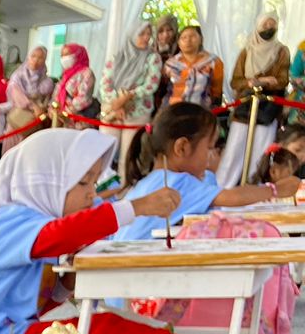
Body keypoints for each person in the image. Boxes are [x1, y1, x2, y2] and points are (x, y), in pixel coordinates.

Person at [0, 128, 298, 334]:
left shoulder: (28, 224)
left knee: (101, 330)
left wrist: (66, 285)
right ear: (46, 183)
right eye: (83, 183)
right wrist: (135, 208)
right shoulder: (12, 220)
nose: (91, 194)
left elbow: (37, 299)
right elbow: (61, 235)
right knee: (98, 333)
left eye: (94, 183)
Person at [114, 102, 300, 241]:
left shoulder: (147, 182)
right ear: (182, 148)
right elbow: (232, 197)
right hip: (138, 287)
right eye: (209, 148)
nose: (211, 156)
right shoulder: (177, 183)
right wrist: (275, 190)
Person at [218, 15, 291, 187]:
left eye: (272, 24)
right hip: (244, 107)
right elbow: (235, 81)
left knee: (260, 151)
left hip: (268, 109)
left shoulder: (281, 51)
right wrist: (252, 82)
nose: (268, 27)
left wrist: (262, 82)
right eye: (265, 24)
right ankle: (223, 188)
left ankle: (254, 188)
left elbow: (281, 80)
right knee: (234, 150)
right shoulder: (246, 51)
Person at [102, 24, 162, 166]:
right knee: (105, 153)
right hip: (112, 110)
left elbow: (151, 84)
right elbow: (105, 84)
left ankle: (125, 186)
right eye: (141, 33)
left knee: (129, 156)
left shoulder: (153, 58)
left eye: (149, 34)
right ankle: (103, 186)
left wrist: (127, 97)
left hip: (138, 111)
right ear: (132, 34)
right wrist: (117, 103)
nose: (146, 38)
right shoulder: (117, 56)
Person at [165, 26, 223, 110]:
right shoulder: (170, 64)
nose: (188, 40)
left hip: (201, 110)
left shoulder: (213, 62)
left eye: (192, 36)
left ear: (200, 39)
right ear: (178, 43)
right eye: (184, 38)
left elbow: (216, 91)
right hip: (173, 110)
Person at [8, 46, 56, 138]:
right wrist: (33, 107)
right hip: (18, 120)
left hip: (37, 120)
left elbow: (50, 99)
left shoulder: (47, 81)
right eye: (33, 56)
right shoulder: (18, 77)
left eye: (40, 57)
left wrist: (44, 109)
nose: (36, 60)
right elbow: (17, 96)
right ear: (28, 57)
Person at [55, 44, 96, 123]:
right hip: (60, 118)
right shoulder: (66, 75)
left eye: (67, 54)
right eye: (62, 55)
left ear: (78, 55)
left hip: (77, 120)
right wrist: (54, 109)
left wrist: (65, 112)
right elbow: (57, 93)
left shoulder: (87, 73)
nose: (64, 58)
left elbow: (84, 98)